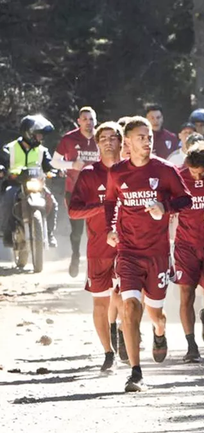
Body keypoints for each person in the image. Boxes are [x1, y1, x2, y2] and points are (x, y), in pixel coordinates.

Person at [104, 116, 192, 392]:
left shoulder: (165, 170)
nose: (147, 140)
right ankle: (135, 372)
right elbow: (109, 201)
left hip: (157, 254)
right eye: (141, 136)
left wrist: (164, 206)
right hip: (128, 251)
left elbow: (186, 200)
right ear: (127, 142)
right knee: (130, 308)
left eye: (149, 136)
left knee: (156, 313)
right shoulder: (117, 172)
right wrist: (109, 229)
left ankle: (159, 332)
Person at [67, 121, 124, 372]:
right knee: (101, 303)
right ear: (97, 143)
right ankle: (108, 352)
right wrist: (104, 207)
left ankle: (124, 332)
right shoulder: (89, 174)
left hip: (130, 246)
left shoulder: (133, 171)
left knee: (126, 298)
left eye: (113, 137)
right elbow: (73, 211)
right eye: (103, 138)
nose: (108, 142)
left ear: (122, 141)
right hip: (98, 249)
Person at [173, 141, 204, 363]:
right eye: (193, 173)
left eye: (201, 173)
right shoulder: (178, 177)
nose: (197, 178)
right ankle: (191, 345)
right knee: (186, 294)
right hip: (185, 246)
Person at [53, 106, 100, 277]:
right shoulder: (69, 139)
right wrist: (71, 165)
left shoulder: (101, 138)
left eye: (91, 119)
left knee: (96, 229)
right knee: (78, 229)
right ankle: (75, 254)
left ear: (96, 121)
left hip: (96, 191)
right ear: (79, 121)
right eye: (85, 119)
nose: (88, 123)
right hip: (74, 189)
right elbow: (55, 162)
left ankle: (93, 263)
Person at [0, 115, 58, 250]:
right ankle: (7, 232)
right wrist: (2, 170)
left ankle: (49, 234)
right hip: (15, 183)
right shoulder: (10, 148)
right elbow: (2, 163)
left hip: (36, 184)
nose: (41, 138)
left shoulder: (42, 150)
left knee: (52, 202)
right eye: (38, 135)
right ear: (29, 133)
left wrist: (57, 172)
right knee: (8, 198)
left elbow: (49, 165)